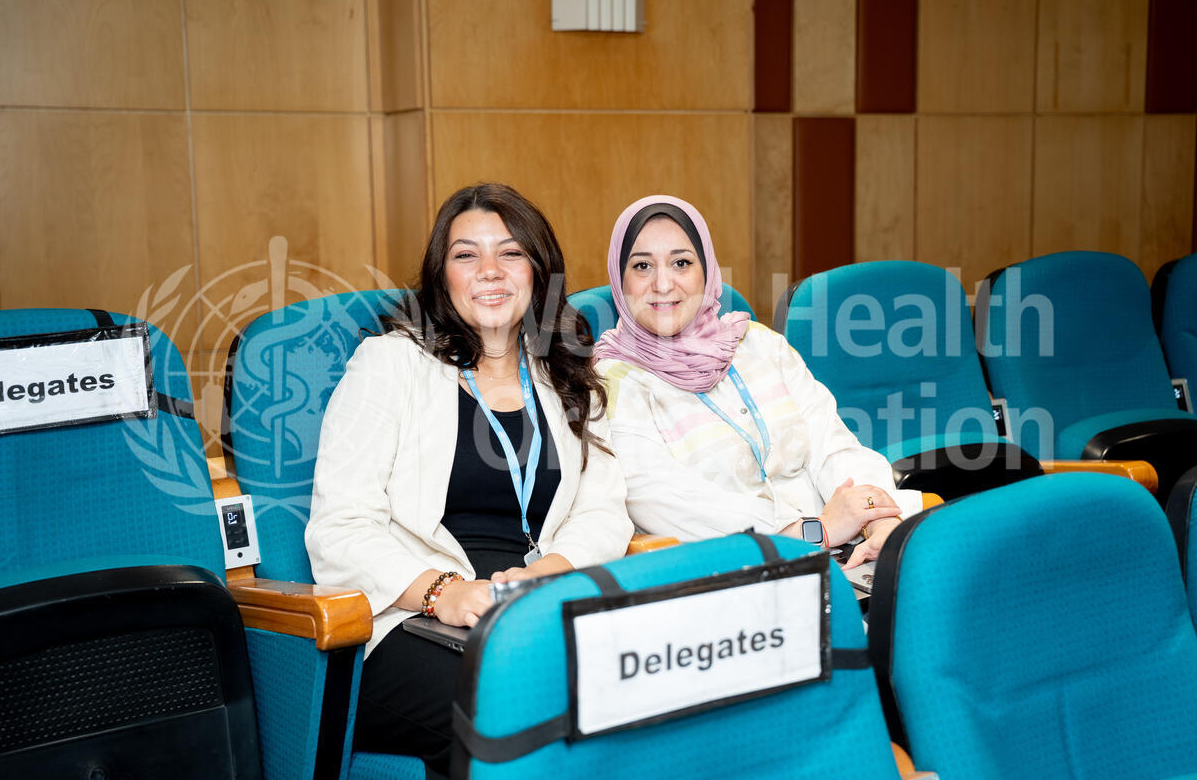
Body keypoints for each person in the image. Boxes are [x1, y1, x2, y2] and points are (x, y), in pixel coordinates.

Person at [306, 183, 632, 777]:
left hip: (530, 610)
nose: (490, 271)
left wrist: (547, 572)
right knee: (518, 703)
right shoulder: (390, 364)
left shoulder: (568, 371)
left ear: (538, 271)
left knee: (635, 688)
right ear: (442, 275)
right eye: (466, 255)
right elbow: (340, 527)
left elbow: (602, 509)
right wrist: (445, 593)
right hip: (410, 622)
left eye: (510, 253)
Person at [593, 194, 920, 568]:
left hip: (844, 547)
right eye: (642, 266)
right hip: (734, 569)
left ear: (707, 271)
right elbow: (663, 500)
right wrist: (814, 530)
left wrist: (879, 521)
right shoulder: (610, 383)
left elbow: (832, 443)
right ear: (620, 281)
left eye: (681, 263)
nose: (663, 284)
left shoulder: (758, 344)